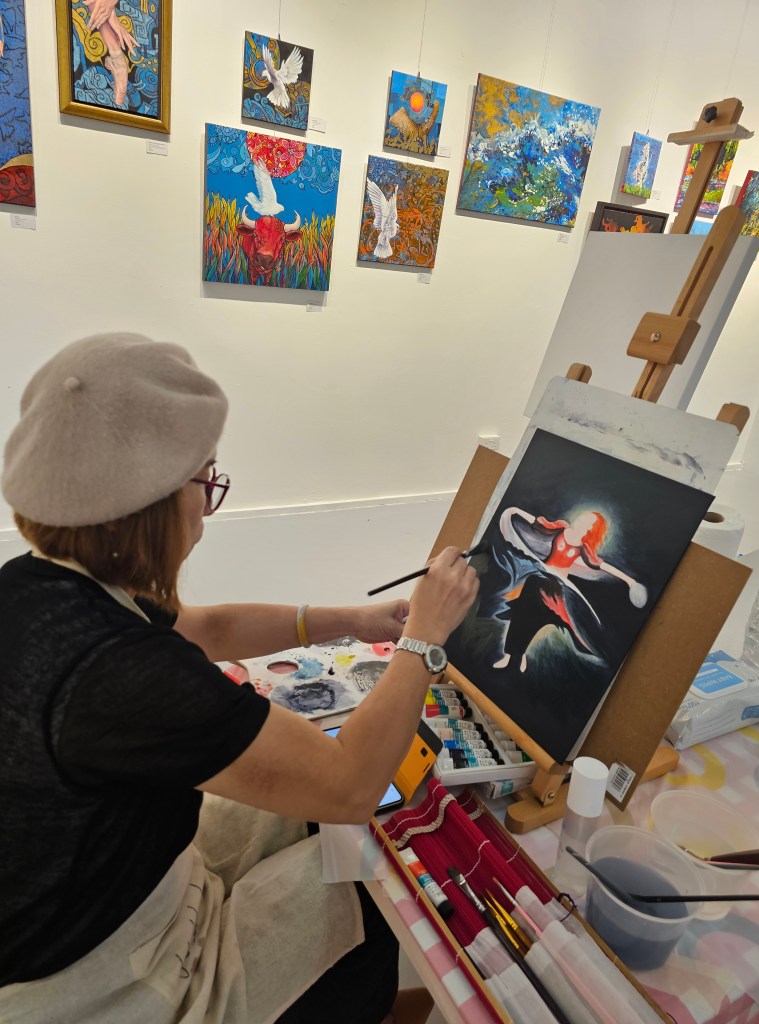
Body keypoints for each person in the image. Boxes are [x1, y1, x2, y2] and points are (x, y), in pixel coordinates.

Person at [0, 332, 478, 1024]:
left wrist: (353, 620)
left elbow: (207, 628)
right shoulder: (128, 676)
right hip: (101, 981)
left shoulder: (37, 585)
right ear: (152, 504)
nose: (206, 504)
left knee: (315, 823)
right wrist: (424, 640)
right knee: (376, 882)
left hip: (95, 894)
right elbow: (351, 785)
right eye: (206, 481)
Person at [492, 505, 646, 672]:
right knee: (521, 614)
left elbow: (603, 566)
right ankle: (509, 655)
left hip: (556, 588)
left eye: (588, 521)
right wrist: (516, 511)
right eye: (584, 516)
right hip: (539, 577)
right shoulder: (562, 528)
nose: (582, 519)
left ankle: (520, 654)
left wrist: (629, 580)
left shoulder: (583, 549)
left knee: (537, 621)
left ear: (590, 528)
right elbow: (539, 524)